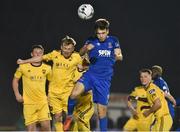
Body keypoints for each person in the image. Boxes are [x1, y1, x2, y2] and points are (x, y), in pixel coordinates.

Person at [64, 18, 123, 131]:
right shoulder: (91, 40)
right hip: (90, 75)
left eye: (103, 33)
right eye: (98, 33)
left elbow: (120, 56)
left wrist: (117, 55)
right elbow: (80, 54)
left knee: (101, 112)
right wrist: (86, 48)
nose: (100, 36)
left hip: (104, 80)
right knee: (73, 95)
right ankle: (69, 117)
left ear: (107, 31)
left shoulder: (114, 41)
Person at [17, 36, 82, 131]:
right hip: (54, 93)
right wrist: (24, 61)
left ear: (73, 49)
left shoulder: (77, 57)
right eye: (65, 48)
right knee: (57, 117)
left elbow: (86, 65)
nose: (66, 51)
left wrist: (82, 68)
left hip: (68, 92)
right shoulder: (54, 54)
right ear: (61, 47)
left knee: (71, 117)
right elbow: (39, 58)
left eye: (69, 49)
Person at [12, 45, 52, 131]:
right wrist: (17, 94)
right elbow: (15, 80)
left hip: (42, 102)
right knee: (31, 130)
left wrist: (50, 94)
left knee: (46, 128)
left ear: (43, 54)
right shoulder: (23, 67)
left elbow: (52, 82)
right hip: (28, 103)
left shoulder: (47, 68)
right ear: (31, 54)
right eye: (35, 52)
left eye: (40, 52)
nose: (38, 54)